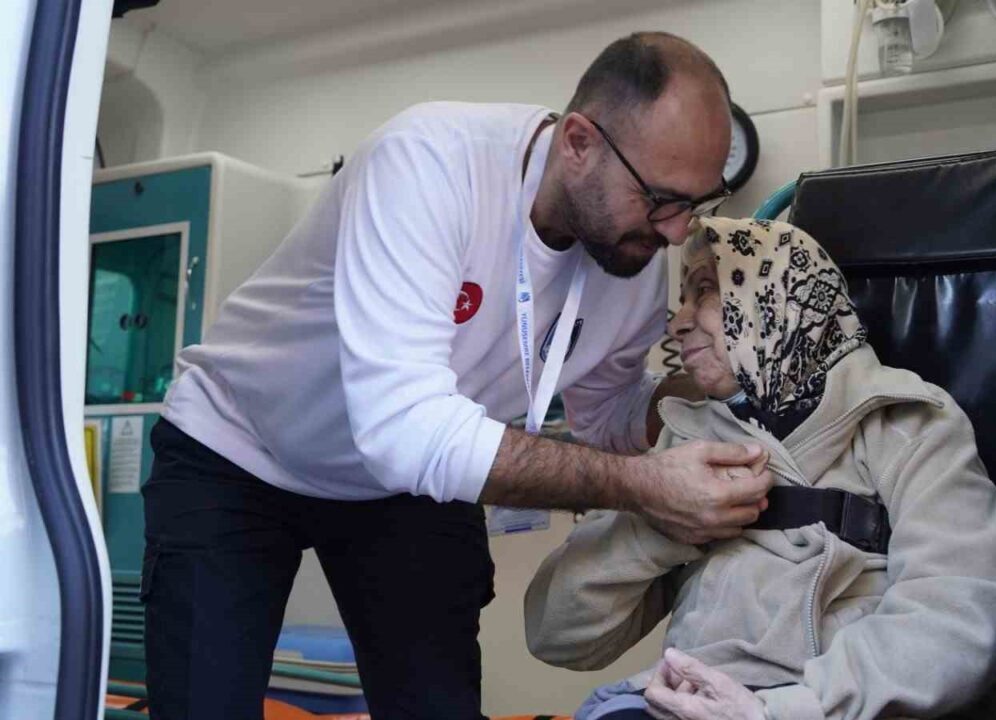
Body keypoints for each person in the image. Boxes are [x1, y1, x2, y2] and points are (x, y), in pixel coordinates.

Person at [141, 33, 774, 720]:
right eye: (660, 199)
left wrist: (700, 393)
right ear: (578, 144)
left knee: (437, 705)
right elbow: (405, 429)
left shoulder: (633, 259)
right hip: (239, 448)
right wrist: (645, 487)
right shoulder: (428, 164)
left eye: (695, 204)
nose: (676, 233)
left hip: (402, 482)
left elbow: (606, 416)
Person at [524, 217, 996, 720]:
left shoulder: (905, 421)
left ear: (776, 297)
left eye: (705, 291)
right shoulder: (686, 438)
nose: (677, 322)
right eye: (682, 298)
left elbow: (961, 613)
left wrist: (784, 711)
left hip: (840, 705)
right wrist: (657, 523)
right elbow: (556, 637)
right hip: (696, 702)